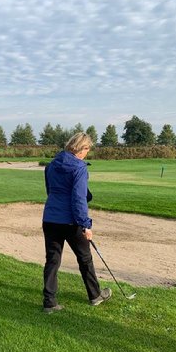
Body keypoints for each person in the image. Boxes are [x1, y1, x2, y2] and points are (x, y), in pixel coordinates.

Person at [42, 132, 111, 313]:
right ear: (83, 148)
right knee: (85, 258)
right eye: (88, 149)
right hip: (71, 221)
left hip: (50, 218)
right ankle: (95, 296)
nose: (87, 153)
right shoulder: (79, 167)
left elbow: (51, 191)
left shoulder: (51, 166)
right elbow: (79, 199)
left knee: (52, 260)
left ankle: (49, 302)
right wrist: (86, 224)